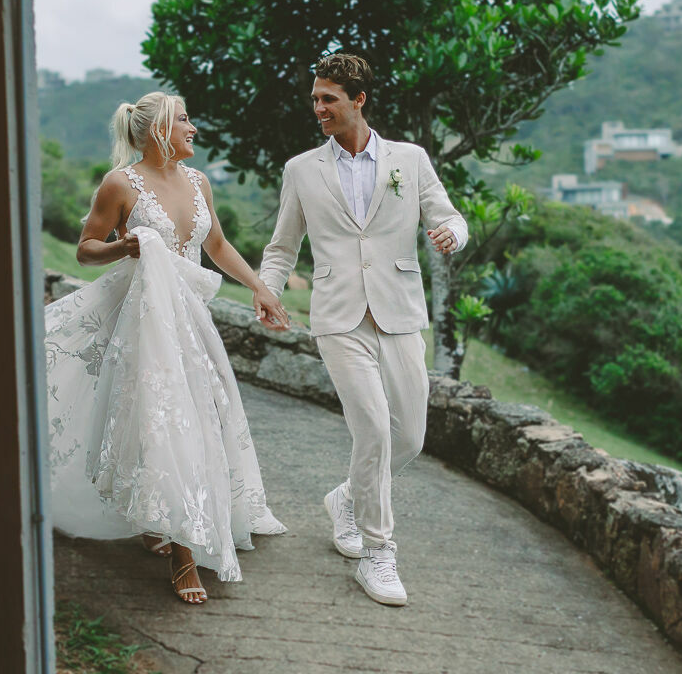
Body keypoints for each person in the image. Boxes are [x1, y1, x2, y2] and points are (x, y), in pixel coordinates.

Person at [45, 92, 290, 605]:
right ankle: (182, 555)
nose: (194, 127)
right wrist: (124, 245)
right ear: (159, 129)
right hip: (138, 321)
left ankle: (160, 517)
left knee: (197, 419)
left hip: (189, 322)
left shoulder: (199, 183)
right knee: (163, 421)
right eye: (184, 119)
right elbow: (86, 248)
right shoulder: (121, 183)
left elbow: (216, 246)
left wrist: (259, 288)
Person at [257, 54, 468, 606]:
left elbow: (447, 216)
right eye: (315, 99)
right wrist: (267, 290)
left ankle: (348, 499)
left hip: (399, 312)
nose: (319, 108)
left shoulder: (410, 159)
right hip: (337, 316)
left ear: (359, 100)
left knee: (411, 438)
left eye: (329, 99)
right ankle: (378, 553)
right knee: (372, 429)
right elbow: (282, 248)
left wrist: (450, 234)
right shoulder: (302, 169)